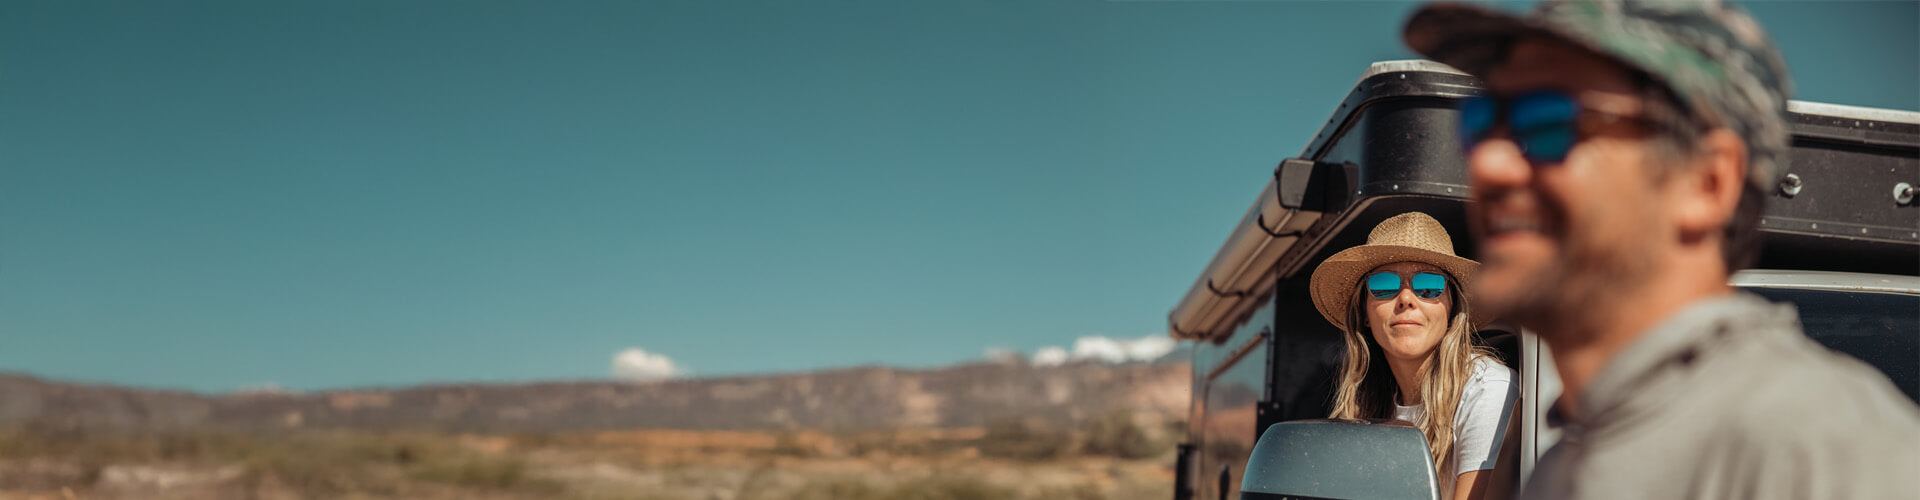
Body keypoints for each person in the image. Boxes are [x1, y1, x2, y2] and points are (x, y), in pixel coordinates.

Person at [1399, 1, 1920, 498]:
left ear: (1707, 183)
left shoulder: (1825, 447)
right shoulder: (1565, 466)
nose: (1489, 163)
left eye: (1547, 123)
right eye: (1484, 122)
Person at [1309, 212, 1517, 500]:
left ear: (1451, 307)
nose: (1406, 298)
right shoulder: (1363, 406)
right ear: (1365, 313)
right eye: (1383, 285)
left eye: (1428, 286)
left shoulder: (1488, 388)